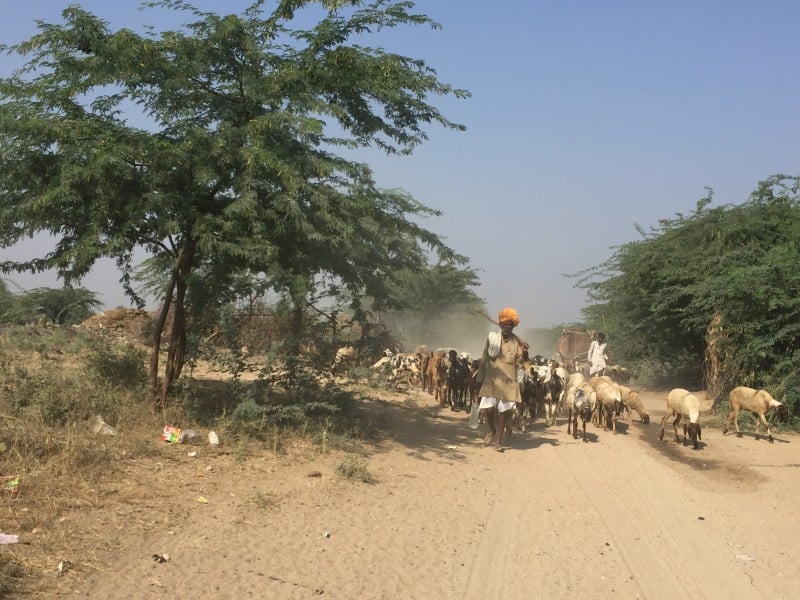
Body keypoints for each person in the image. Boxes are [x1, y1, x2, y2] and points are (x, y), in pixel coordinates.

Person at [474, 307, 528, 452]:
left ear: (513, 326)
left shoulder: (517, 343)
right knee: (488, 408)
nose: (507, 326)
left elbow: (523, 362)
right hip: (492, 379)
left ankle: (498, 441)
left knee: (504, 412)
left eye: (510, 325)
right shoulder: (492, 338)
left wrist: (526, 351)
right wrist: (479, 378)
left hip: (509, 381)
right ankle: (492, 429)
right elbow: (485, 357)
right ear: (501, 324)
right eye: (505, 324)